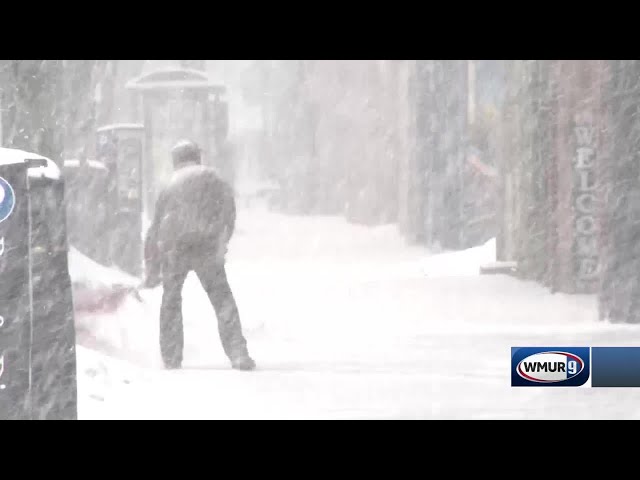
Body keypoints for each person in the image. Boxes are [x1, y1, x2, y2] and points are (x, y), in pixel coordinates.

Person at [143, 139, 256, 371]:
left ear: (176, 160)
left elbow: (155, 230)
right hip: (206, 247)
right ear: (197, 156)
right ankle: (238, 353)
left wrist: (153, 269)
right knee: (222, 299)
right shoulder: (214, 178)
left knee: (171, 301)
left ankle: (172, 357)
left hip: (176, 250)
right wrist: (221, 242)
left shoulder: (170, 184)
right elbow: (228, 212)